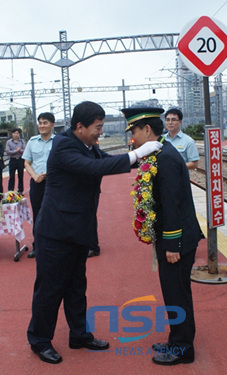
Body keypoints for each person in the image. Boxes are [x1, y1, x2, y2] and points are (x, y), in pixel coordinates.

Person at [27, 101, 163, 365]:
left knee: (77, 287)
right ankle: (39, 340)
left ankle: (79, 335)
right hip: (55, 233)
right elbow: (95, 169)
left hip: (78, 230)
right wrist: (138, 152)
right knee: (50, 290)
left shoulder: (88, 146)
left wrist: (150, 158)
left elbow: (110, 163)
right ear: (80, 127)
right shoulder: (64, 146)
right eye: (98, 127)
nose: (101, 132)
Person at [123, 107, 203, 366]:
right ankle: (177, 339)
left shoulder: (165, 157)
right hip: (174, 237)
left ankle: (182, 348)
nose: (132, 138)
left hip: (176, 240)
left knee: (177, 293)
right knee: (174, 292)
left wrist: (171, 244)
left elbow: (172, 205)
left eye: (134, 132)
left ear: (147, 130)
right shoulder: (160, 153)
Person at [22, 113, 55, 258]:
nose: (42, 126)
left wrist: (49, 173)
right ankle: (38, 246)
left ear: (52, 125)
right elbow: (27, 163)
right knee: (38, 214)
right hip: (37, 183)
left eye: (45, 123)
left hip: (55, 183)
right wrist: (35, 176)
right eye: (40, 123)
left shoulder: (59, 141)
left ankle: (56, 245)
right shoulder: (32, 142)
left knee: (56, 214)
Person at [6, 128, 26, 194]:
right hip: (13, 160)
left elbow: (24, 150)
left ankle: (20, 190)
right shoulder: (9, 142)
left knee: (20, 176)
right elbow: (8, 151)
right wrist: (16, 151)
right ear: (12, 134)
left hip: (20, 160)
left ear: (19, 134)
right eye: (14, 133)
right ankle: (10, 191)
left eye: (17, 133)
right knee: (11, 176)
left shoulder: (22, 141)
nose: (16, 135)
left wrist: (20, 150)